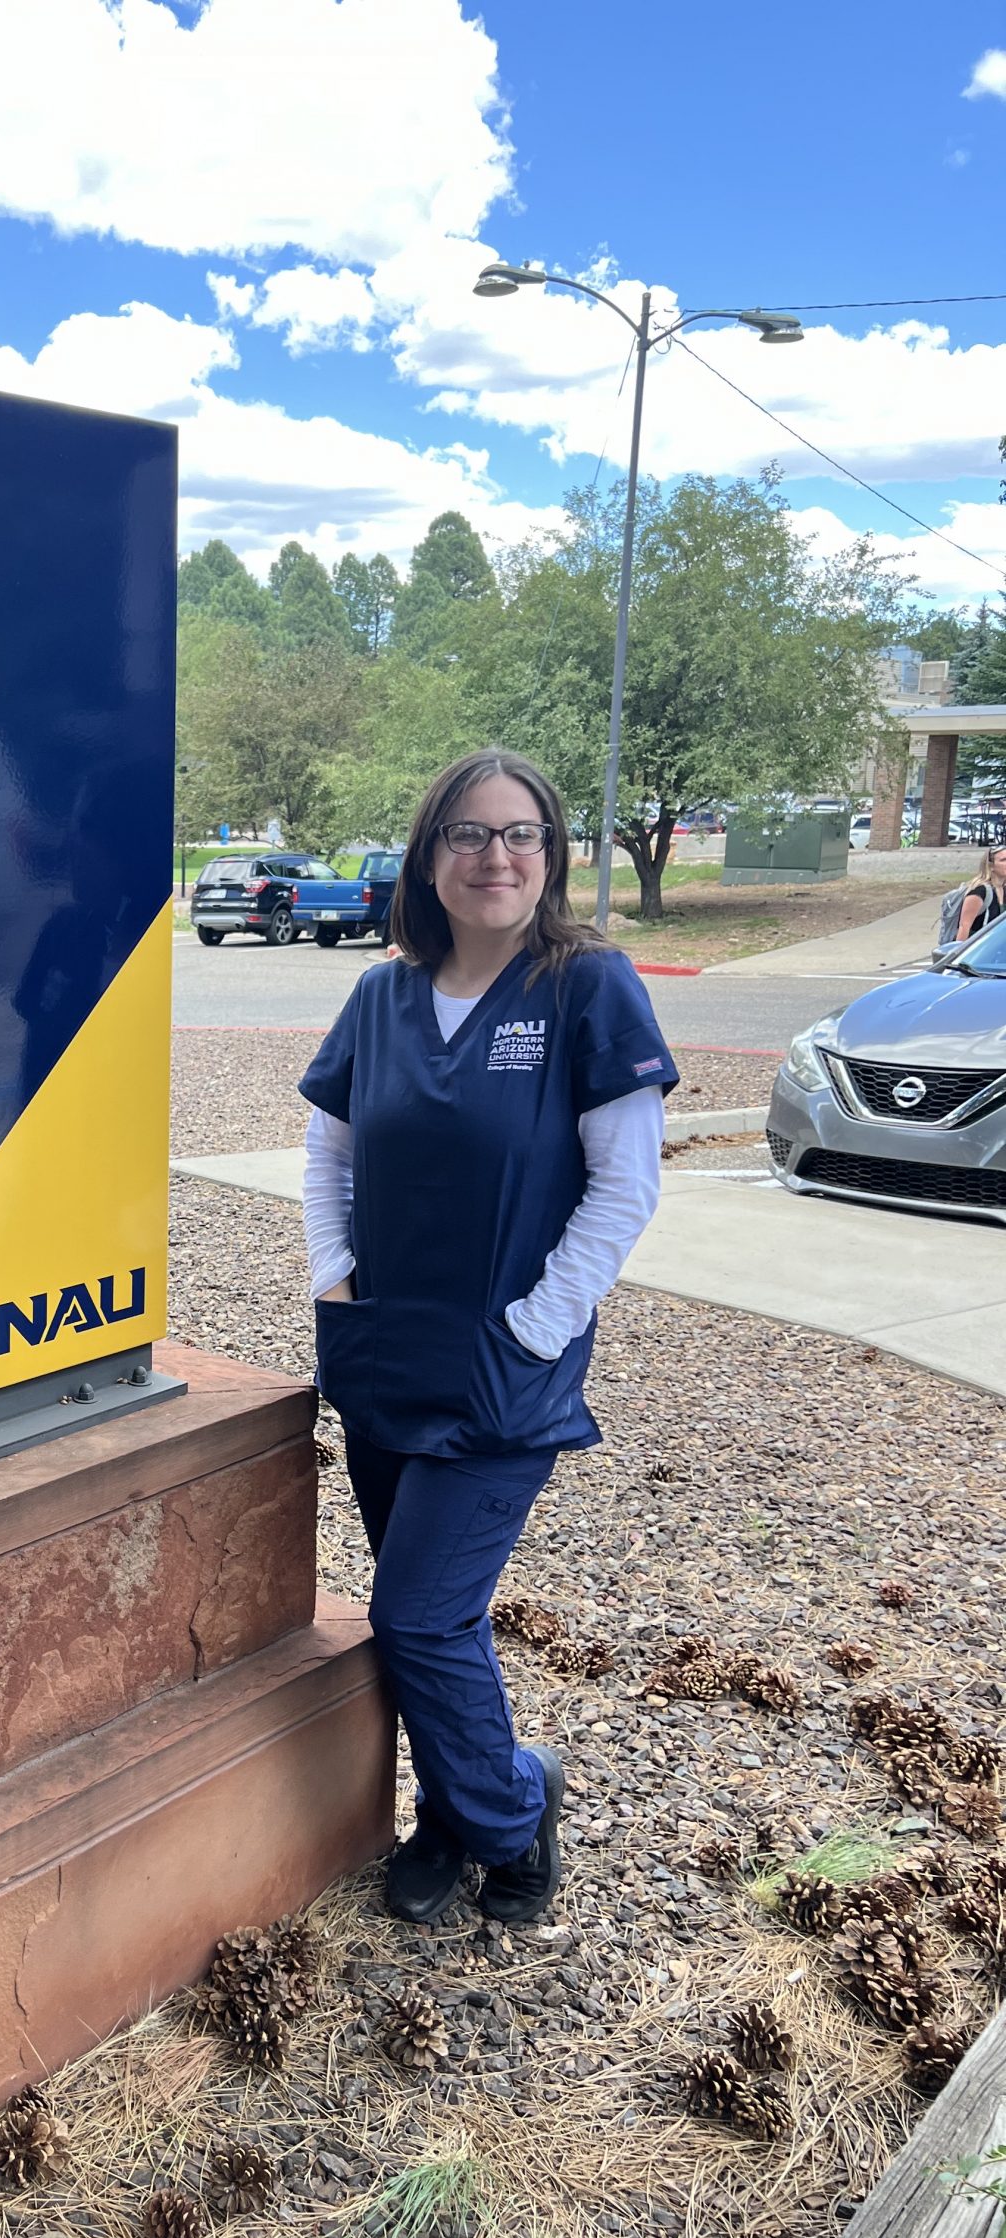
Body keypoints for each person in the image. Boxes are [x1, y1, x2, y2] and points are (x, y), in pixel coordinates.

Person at [299, 749, 677, 1926]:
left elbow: (626, 1186)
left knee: (415, 1613)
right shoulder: (385, 996)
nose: (495, 857)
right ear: (429, 857)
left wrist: (536, 1325)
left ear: (553, 855)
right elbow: (330, 1152)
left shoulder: (588, 986)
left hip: (504, 1373)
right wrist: (336, 1277)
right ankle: (447, 1818)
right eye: (467, 835)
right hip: (386, 1354)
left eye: (520, 835)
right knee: (428, 1614)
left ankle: (513, 1810)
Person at [956, 846, 1006, 943]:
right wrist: (959, 954)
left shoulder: (1003, 889)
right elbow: (964, 927)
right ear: (991, 866)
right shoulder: (980, 891)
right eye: (1003, 860)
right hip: (976, 948)